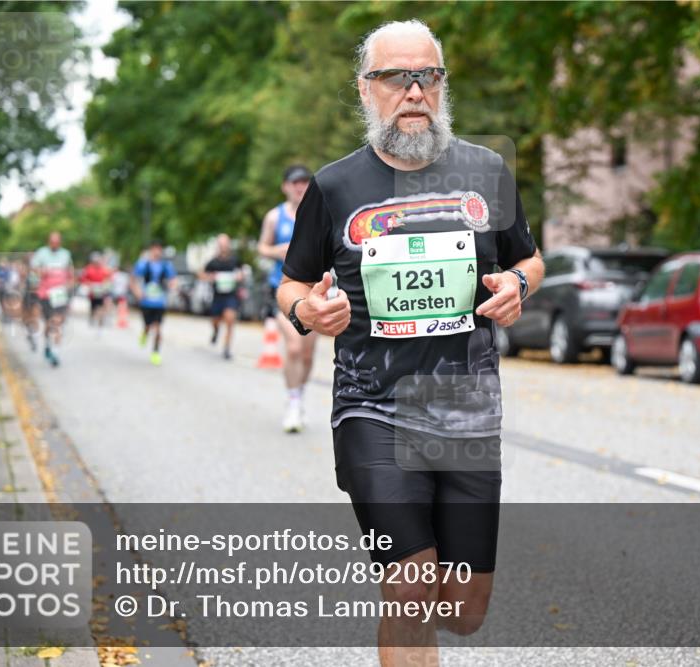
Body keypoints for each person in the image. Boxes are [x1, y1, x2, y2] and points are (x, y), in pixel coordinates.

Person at [276, 20, 543, 664]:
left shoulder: (487, 171)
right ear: (367, 90)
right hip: (373, 410)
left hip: (468, 414)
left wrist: (515, 285)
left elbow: (530, 262)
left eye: (428, 75)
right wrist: (310, 312)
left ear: (443, 85)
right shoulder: (335, 187)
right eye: (398, 76)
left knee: (464, 612)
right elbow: (289, 285)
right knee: (411, 586)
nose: (415, 90)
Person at [258, 164, 317, 432]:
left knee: (307, 353)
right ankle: (292, 402)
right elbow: (261, 247)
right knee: (293, 346)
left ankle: (299, 394)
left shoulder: (318, 214)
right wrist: (277, 251)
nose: (299, 186)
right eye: (294, 182)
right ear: (285, 186)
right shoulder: (274, 217)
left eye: (304, 182)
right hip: (280, 289)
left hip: (313, 290)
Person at [30, 231, 74, 367]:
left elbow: (70, 272)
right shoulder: (41, 253)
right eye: (52, 242)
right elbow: (34, 270)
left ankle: (55, 352)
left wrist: (70, 285)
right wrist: (42, 272)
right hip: (45, 293)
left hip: (60, 292)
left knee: (58, 321)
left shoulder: (66, 254)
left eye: (57, 242)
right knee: (49, 323)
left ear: (60, 242)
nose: (55, 244)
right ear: (49, 241)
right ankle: (48, 344)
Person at [131, 241, 177, 366]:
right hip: (146, 302)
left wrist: (172, 288)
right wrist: (138, 293)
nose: (157, 252)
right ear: (151, 250)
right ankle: (144, 334)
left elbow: (173, 279)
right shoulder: (143, 264)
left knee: (157, 328)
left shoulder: (166, 265)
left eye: (159, 249)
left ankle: (156, 352)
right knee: (148, 326)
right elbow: (133, 280)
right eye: (155, 249)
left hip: (159, 302)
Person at [201, 234, 243, 360]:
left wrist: (240, 276)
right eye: (221, 244)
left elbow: (242, 272)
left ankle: (226, 348)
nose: (224, 247)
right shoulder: (213, 262)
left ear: (229, 245)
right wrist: (210, 277)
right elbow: (202, 274)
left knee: (230, 319)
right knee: (215, 320)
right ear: (218, 246)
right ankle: (215, 331)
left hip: (231, 295)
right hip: (217, 296)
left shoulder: (235, 260)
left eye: (226, 244)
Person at [80, 252, 114, 329]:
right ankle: (92, 317)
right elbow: (83, 278)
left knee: (101, 305)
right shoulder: (89, 268)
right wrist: (89, 284)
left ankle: (100, 319)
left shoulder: (104, 269)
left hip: (101, 291)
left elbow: (109, 278)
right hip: (92, 291)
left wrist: (105, 284)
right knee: (93, 305)